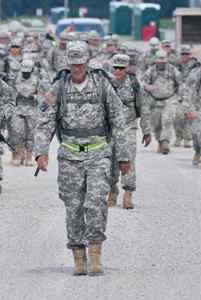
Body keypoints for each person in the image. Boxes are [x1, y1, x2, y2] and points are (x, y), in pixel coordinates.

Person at [34, 41, 131, 276]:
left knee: (96, 203)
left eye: (81, 64)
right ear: (68, 63)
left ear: (87, 63)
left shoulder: (102, 85)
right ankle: (78, 255)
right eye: (73, 64)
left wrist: (124, 156)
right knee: (74, 207)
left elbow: (119, 120)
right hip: (69, 156)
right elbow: (45, 120)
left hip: (98, 153)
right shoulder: (58, 87)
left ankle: (95, 252)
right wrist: (41, 151)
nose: (77, 68)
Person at [107, 54, 152, 209]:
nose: (118, 71)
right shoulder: (106, 83)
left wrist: (146, 131)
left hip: (129, 127)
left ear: (127, 68)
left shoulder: (134, 84)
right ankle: (112, 190)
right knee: (110, 161)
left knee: (129, 160)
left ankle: (128, 193)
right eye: (116, 68)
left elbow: (143, 108)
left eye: (122, 68)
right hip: (110, 129)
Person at [141, 50, 181, 154]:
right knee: (156, 124)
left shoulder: (173, 70)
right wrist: (146, 86)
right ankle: (160, 141)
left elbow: (180, 83)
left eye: (163, 61)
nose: (161, 63)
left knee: (167, 120)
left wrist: (180, 97)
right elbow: (142, 83)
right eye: (159, 61)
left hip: (169, 99)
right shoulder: (151, 71)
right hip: (155, 100)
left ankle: (165, 142)